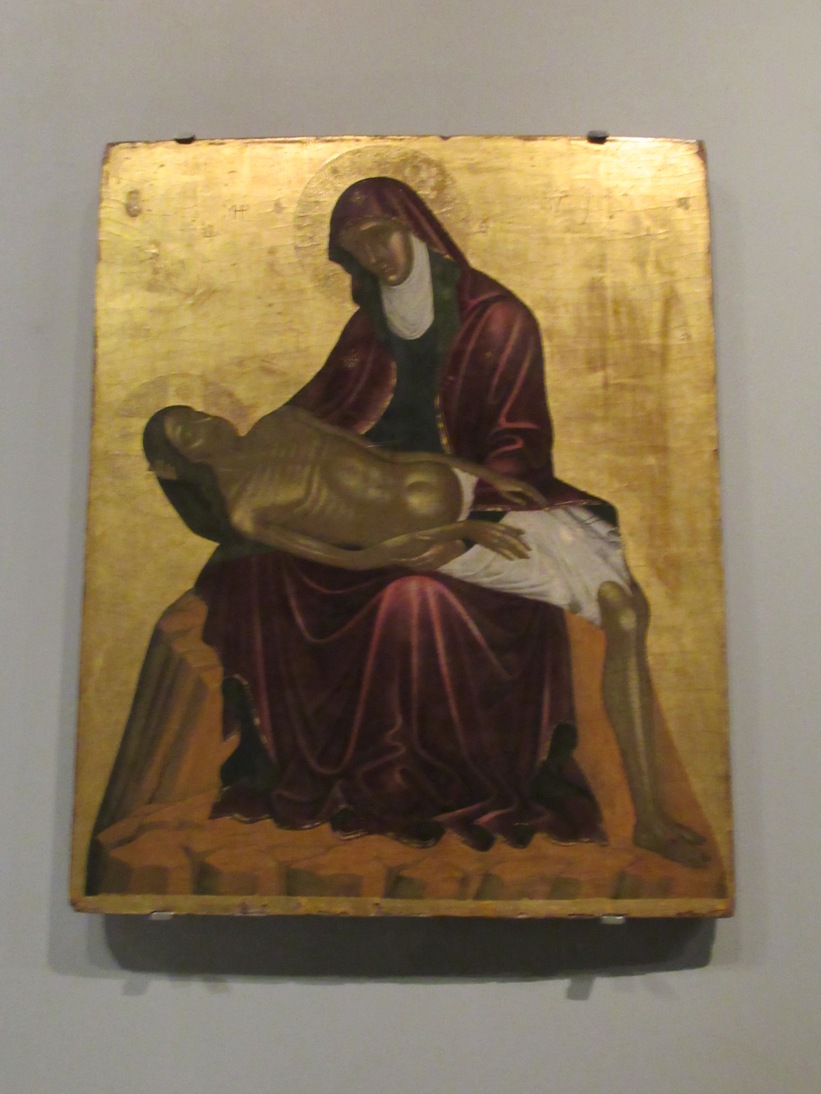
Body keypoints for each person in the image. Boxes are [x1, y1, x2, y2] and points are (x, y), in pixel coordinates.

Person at [189, 176, 705, 864]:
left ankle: (650, 816)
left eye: (381, 236)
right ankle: (648, 819)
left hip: (496, 499)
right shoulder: (366, 328)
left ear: (416, 227)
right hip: (410, 522)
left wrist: (479, 500)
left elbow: (520, 441)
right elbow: (325, 420)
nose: (375, 257)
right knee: (280, 580)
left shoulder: (498, 318)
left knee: (626, 610)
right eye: (356, 249)